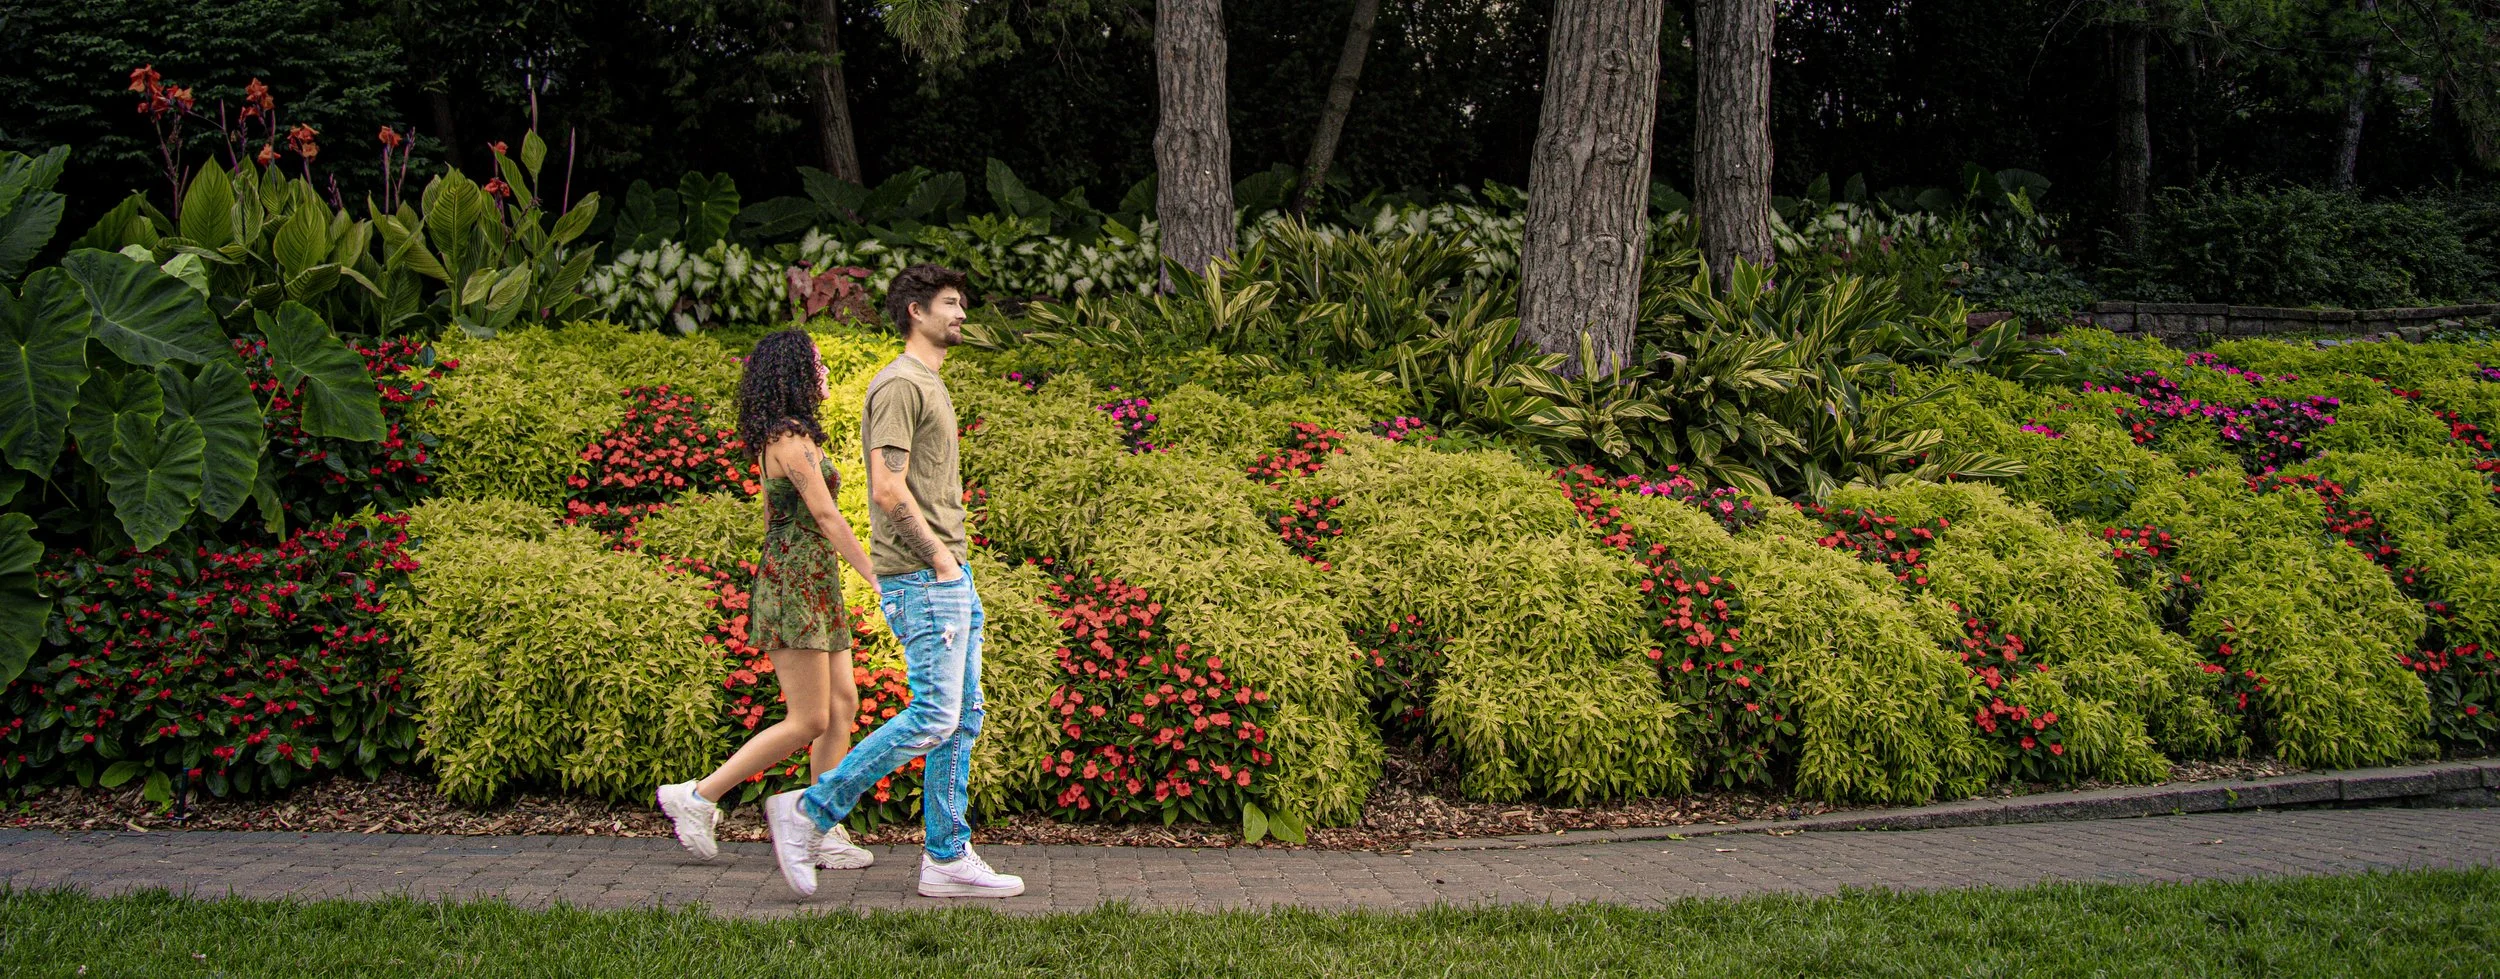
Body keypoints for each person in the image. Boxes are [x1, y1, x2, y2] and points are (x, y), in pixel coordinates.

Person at [763, 263, 1025, 899]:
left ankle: (946, 856)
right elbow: (886, 489)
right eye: (951, 303)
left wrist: (953, 565)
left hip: (947, 573)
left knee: (961, 719)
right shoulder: (900, 385)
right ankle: (809, 812)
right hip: (924, 575)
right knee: (936, 712)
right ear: (916, 310)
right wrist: (938, 560)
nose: (962, 315)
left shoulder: (927, 384)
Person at [655, 328, 878, 873]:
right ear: (795, 373)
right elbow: (825, 516)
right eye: (817, 364)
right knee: (808, 720)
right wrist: (876, 577)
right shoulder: (790, 440)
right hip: (796, 584)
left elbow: (772, 518)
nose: (825, 373)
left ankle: (820, 826)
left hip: (809, 579)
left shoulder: (792, 437)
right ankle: (699, 796)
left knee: (843, 705)